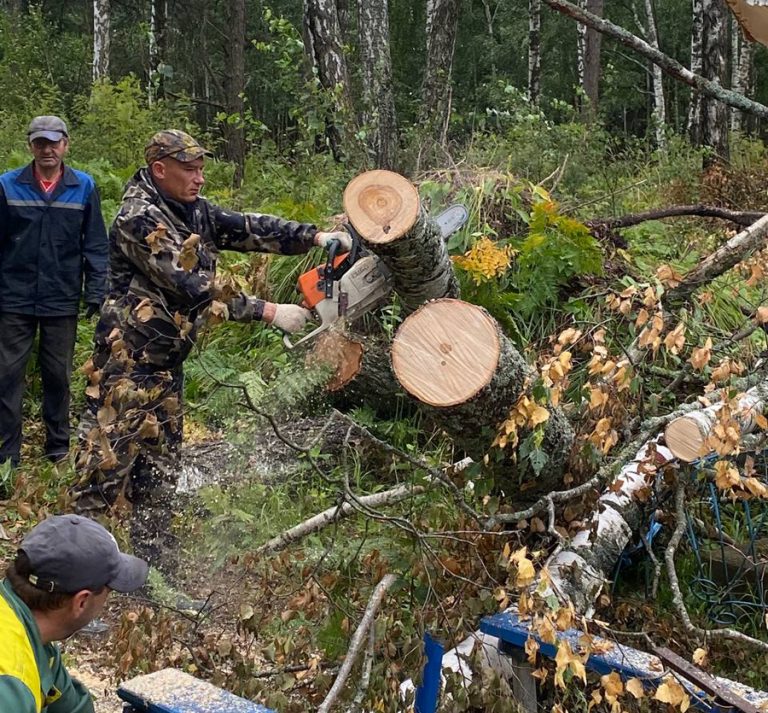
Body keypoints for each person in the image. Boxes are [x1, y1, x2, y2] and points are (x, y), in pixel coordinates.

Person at [71, 129, 350, 573]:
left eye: (202, 168)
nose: (200, 177)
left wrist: (315, 238)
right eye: (190, 169)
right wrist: (267, 310)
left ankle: (153, 582)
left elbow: (248, 227)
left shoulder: (194, 211)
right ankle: (68, 592)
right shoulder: (138, 217)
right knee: (100, 480)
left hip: (166, 366)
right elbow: (193, 286)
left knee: (159, 479)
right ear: (160, 169)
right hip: (126, 370)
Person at [0, 116, 108, 468]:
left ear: (66, 144)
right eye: (40, 143)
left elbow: (94, 243)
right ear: (30, 145)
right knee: (6, 375)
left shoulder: (84, 186)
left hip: (61, 298)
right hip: (13, 297)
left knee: (57, 375)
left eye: (53, 142)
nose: (47, 149)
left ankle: (57, 448)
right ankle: (6, 455)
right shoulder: (7, 185)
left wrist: (95, 289)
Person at [0, 514, 148, 712]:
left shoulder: (35, 642)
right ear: (82, 601)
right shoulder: (11, 689)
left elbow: (72, 707)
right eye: (108, 591)